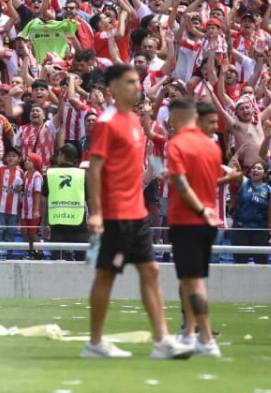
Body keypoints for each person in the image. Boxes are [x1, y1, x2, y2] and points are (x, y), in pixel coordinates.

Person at [81, 63, 193, 360]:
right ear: (113, 88)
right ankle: (95, 343)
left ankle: (162, 340)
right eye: (130, 82)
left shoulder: (133, 120)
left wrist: (160, 173)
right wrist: (96, 212)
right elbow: (95, 169)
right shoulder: (107, 122)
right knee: (106, 275)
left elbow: (142, 164)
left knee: (151, 270)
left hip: (137, 211)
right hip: (116, 213)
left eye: (137, 81)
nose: (137, 86)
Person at [167, 98, 236, 357]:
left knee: (193, 282)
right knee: (191, 280)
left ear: (176, 117)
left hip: (188, 220)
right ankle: (188, 334)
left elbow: (183, 185)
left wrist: (198, 209)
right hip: (208, 222)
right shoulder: (211, 146)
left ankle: (205, 338)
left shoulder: (177, 145)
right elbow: (206, 182)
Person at [44, 144, 87, 260]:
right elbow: (91, 200)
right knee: (81, 262)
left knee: (57, 262)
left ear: (62, 155)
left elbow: (44, 201)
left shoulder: (49, 174)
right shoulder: (83, 175)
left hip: (57, 223)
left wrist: (44, 223)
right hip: (78, 223)